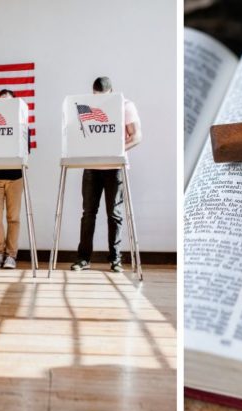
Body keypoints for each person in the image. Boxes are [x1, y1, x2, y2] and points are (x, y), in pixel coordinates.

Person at [71, 76, 142, 273]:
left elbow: (137, 136)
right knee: (88, 214)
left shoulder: (126, 106)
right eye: (96, 97)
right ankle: (83, 258)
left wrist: (117, 150)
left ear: (112, 93)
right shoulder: (86, 107)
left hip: (115, 166)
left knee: (115, 214)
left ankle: (116, 259)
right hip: (92, 166)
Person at [0, 89, 29, 269]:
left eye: (9, 102)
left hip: (15, 177)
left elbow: (25, 153)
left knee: (13, 218)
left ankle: (11, 256)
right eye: (2, 101)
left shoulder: (23, 126)